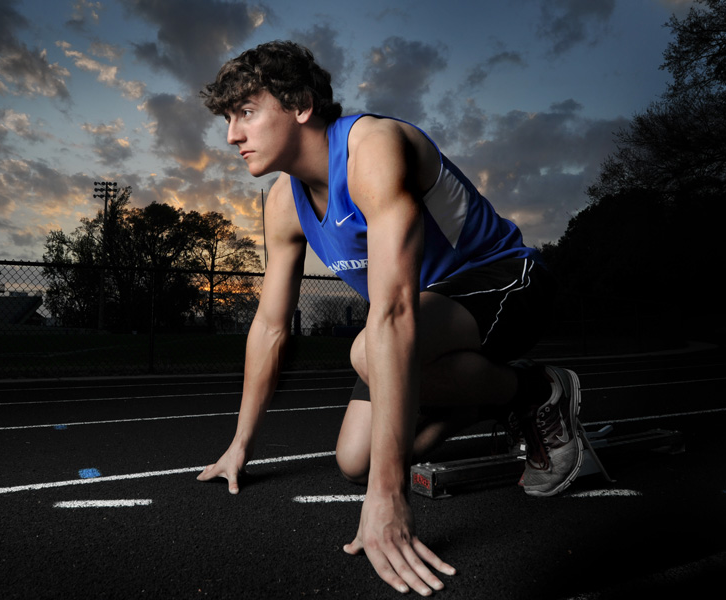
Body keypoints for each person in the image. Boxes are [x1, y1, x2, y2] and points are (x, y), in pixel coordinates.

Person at [197, 40, 583, 596]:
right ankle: (497, 396)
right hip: (426, 318)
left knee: (366, 356)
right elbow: (271, 326)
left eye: (246, 112)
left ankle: (538, 390)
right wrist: (241, 444)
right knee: (356, 461)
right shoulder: (283, 203)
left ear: (301, 104)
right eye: (228, 119)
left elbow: (395, 309)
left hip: (507, 283)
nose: (232, 135)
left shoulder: (372, 147)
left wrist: (389, 497)